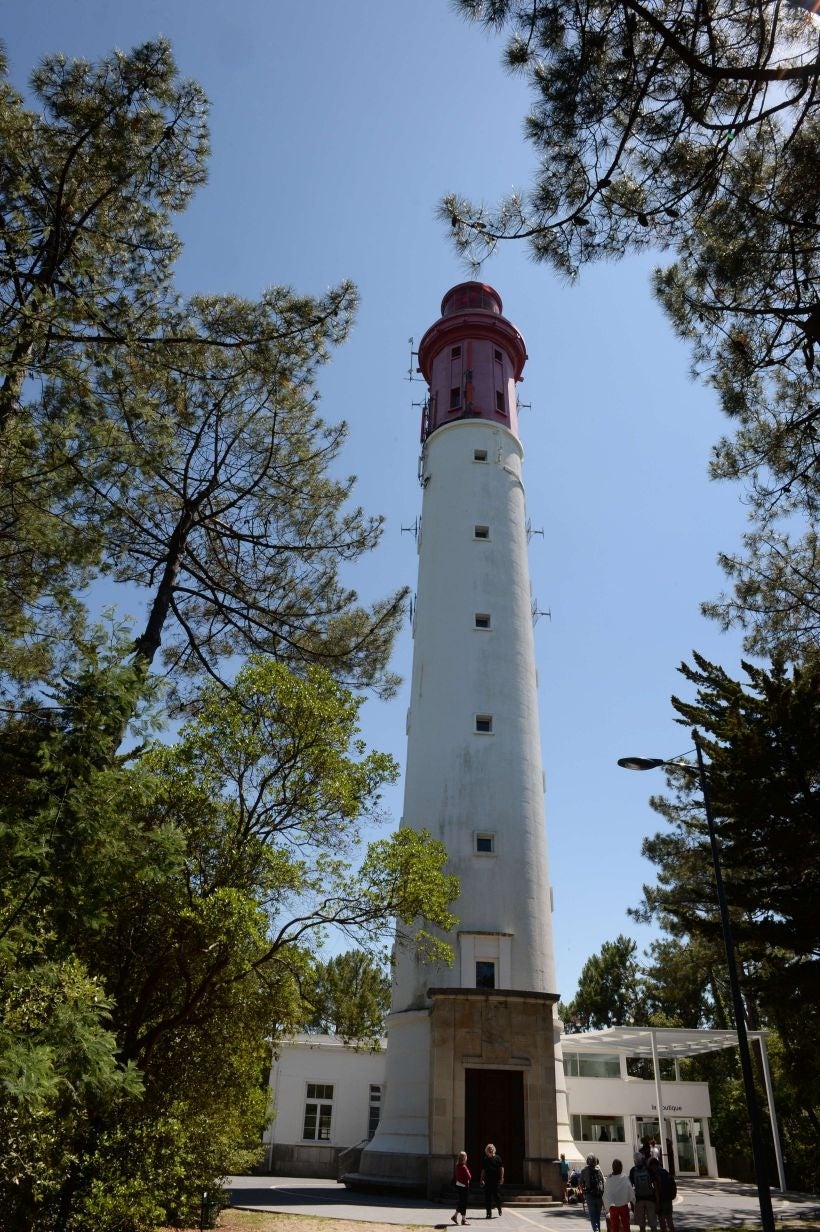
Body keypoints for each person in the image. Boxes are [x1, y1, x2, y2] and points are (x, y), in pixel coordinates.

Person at [631, 1150, 661, 1232]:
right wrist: (657, 1201)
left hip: (639, 1199)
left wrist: (632, 1203)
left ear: (634, 1161)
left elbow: (630, 1188)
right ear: (642, 1159)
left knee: (642, 1225)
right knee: (653, 1224)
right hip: (650, 1199)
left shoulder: (633, 1170)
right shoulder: (648, 1169)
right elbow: (655, 1186)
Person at [602, 1158, 634, 1232]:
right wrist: (633, 1202)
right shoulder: (624, 1177)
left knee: (615, 1226)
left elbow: (606, 1193)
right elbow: (630, 1191)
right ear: (621, 1167)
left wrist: (606, 1206)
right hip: (623, 1205)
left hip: (613, 1207)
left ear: (613, 1167)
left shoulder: (609, 1178)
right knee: (626, 1225)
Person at [580, 1153, 605, 1232]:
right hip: (599, 1195)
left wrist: (583, 1192)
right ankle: (598, 1229)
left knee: (592, 1217)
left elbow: (580, 1183)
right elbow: (603, 1181)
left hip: (589, 1195)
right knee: (597, 1217)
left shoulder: (584, 1171)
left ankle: (596, 1230)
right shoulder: (599, 1170)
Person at [651, 1156, 677, 1232]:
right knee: (669, 1220)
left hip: (662, 1200)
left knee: (662, 1221)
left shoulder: (656, 1173)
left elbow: (657, 1189)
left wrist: (657, 1203)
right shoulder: (665, 1171)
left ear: (653, 1165)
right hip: (669, 1199)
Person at [480, 1144, 504, 1219]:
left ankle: (499, 1208)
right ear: (486, 1150)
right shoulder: (485, 1159)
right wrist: (481, 1178)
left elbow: (501, 1168)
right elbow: (483, 1170)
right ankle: (488, 1213)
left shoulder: (498, 1158)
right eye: (489, 1148)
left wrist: (501, 1177)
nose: (490, 1149)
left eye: (491, 1148)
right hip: (487, 1181)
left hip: (496, 1180)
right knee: (488, 1198)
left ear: (494, 1149)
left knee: (497, 1196)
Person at [452, 1151, 471, 1226]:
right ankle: (462, 1219)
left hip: (459, 1185)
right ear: (464, 1158)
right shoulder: (463, 1166)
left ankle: (457, 1217)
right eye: (466, 1157)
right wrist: (468, 1171)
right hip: (464, 1186)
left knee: (461, 1202)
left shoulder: (457, 1166)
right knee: (463, 1203)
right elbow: (469, 1177)